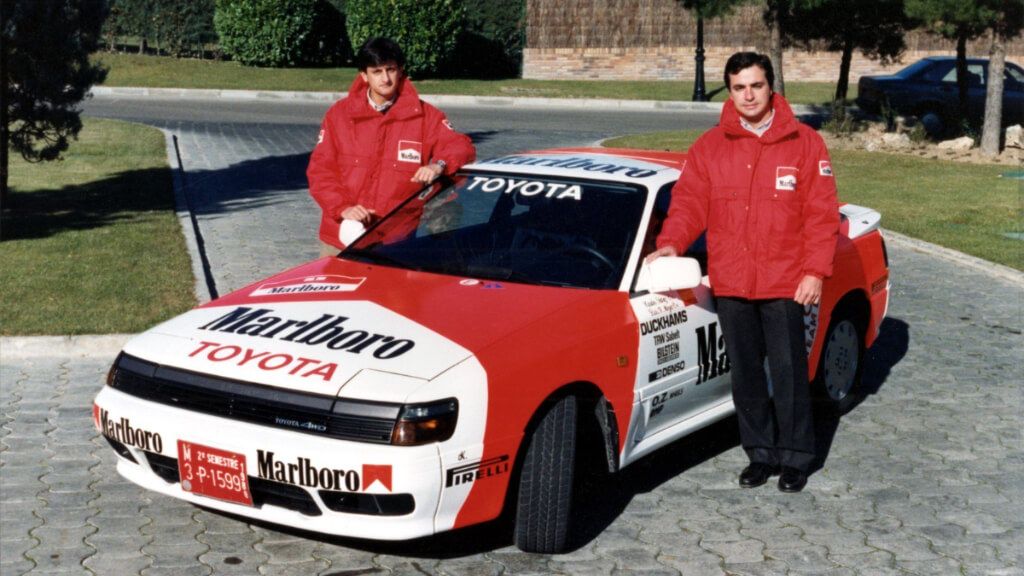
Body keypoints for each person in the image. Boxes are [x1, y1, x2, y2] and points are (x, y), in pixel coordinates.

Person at [647, 52, 839, 493]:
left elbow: (822, 214)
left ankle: (796, 458)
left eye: (756, 85)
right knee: (747, 375)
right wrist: (671, 243)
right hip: (733, 281)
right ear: (730, 90)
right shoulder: (710, 147)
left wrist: (814, 271)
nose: (748, 95)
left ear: (771, 86)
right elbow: (689, 204)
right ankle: (760, 455)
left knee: (789, 373)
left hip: (785, 282)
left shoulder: (805, 142)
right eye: (739, 87)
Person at [307, 37, 476, 256]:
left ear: (401, 71)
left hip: (396, 244)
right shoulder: (339, 115)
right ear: (364, 76)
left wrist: (438, 165)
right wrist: (343, 208)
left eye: (391, 70)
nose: (385, 79)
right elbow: (321, 171)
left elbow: (461, 146)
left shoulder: (426, 117)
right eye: (377, 71)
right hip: (341, 238)